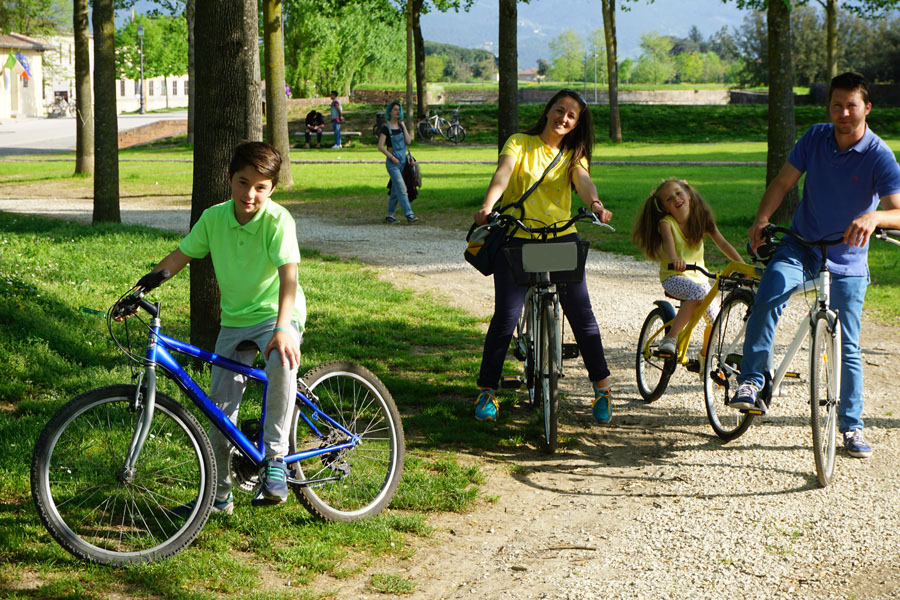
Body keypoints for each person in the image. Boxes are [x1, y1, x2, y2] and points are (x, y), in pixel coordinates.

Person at [731, 72, 900, 458]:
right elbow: (782, 183)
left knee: (849, 345)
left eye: (851, 105)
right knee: (771, 290)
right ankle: (752, 380)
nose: (843, 112)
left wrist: (874, 219)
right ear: (829, 108)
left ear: (867, 108)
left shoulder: (879, 155)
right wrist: (761, 219)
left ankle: (852, 426)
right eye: (837, 105)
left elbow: (898, 211)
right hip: (803, 244)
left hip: (849, 258)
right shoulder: (814, 137)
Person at [133, 141, 305, 511]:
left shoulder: (278, 221)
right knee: (219, 412)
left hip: (277, 314)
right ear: (229, 180)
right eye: (243, 183)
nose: (250, 194)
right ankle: (220, 494)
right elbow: (180, 256)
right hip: (235, 321)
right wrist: (142, 287)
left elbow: (288, 277)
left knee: (281, 363)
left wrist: (283, 328)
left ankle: (275, 460)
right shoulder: (214, 218)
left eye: (261, 187)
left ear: (271, 189)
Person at [472, 89, 614, 424]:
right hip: (519, 239)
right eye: (559, 110)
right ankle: (487, 391)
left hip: (561, 239)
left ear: (577, 123)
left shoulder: (573, 154)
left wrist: (595, 204)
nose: (563, 118)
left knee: (581, 314)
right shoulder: (520, 142)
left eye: (571, 115)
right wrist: (488, 205)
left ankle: (603, 389)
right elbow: (504, 173)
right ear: (548, 110)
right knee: (507, 316)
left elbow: (583, 181)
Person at [632, 178, 743, 357]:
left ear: (689, 195)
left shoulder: (701, 219)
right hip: (674, 277)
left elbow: (722, 242)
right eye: (669, 199)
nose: (676, 199)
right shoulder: (666, 223)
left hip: (700, 279)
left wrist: (741, 265)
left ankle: (705, 358)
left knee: (715, 321)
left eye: (678, 193)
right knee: (698, 293)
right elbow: (669, 243)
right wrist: (675, 259)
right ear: (665, 207)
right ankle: (671, 338)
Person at [377, 101, 417, 224]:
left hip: (403, 162)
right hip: (392, 163)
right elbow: (380, 146)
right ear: (390, 112)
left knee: (395, 190)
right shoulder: (386, 128)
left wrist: (404, 126)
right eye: (395, 109)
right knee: (401, 188)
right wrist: (392, 157)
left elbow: (408, 141)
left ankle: (390, 215)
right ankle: (409, 214)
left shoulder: (400, 127)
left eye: (398, 110)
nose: (397, 112)